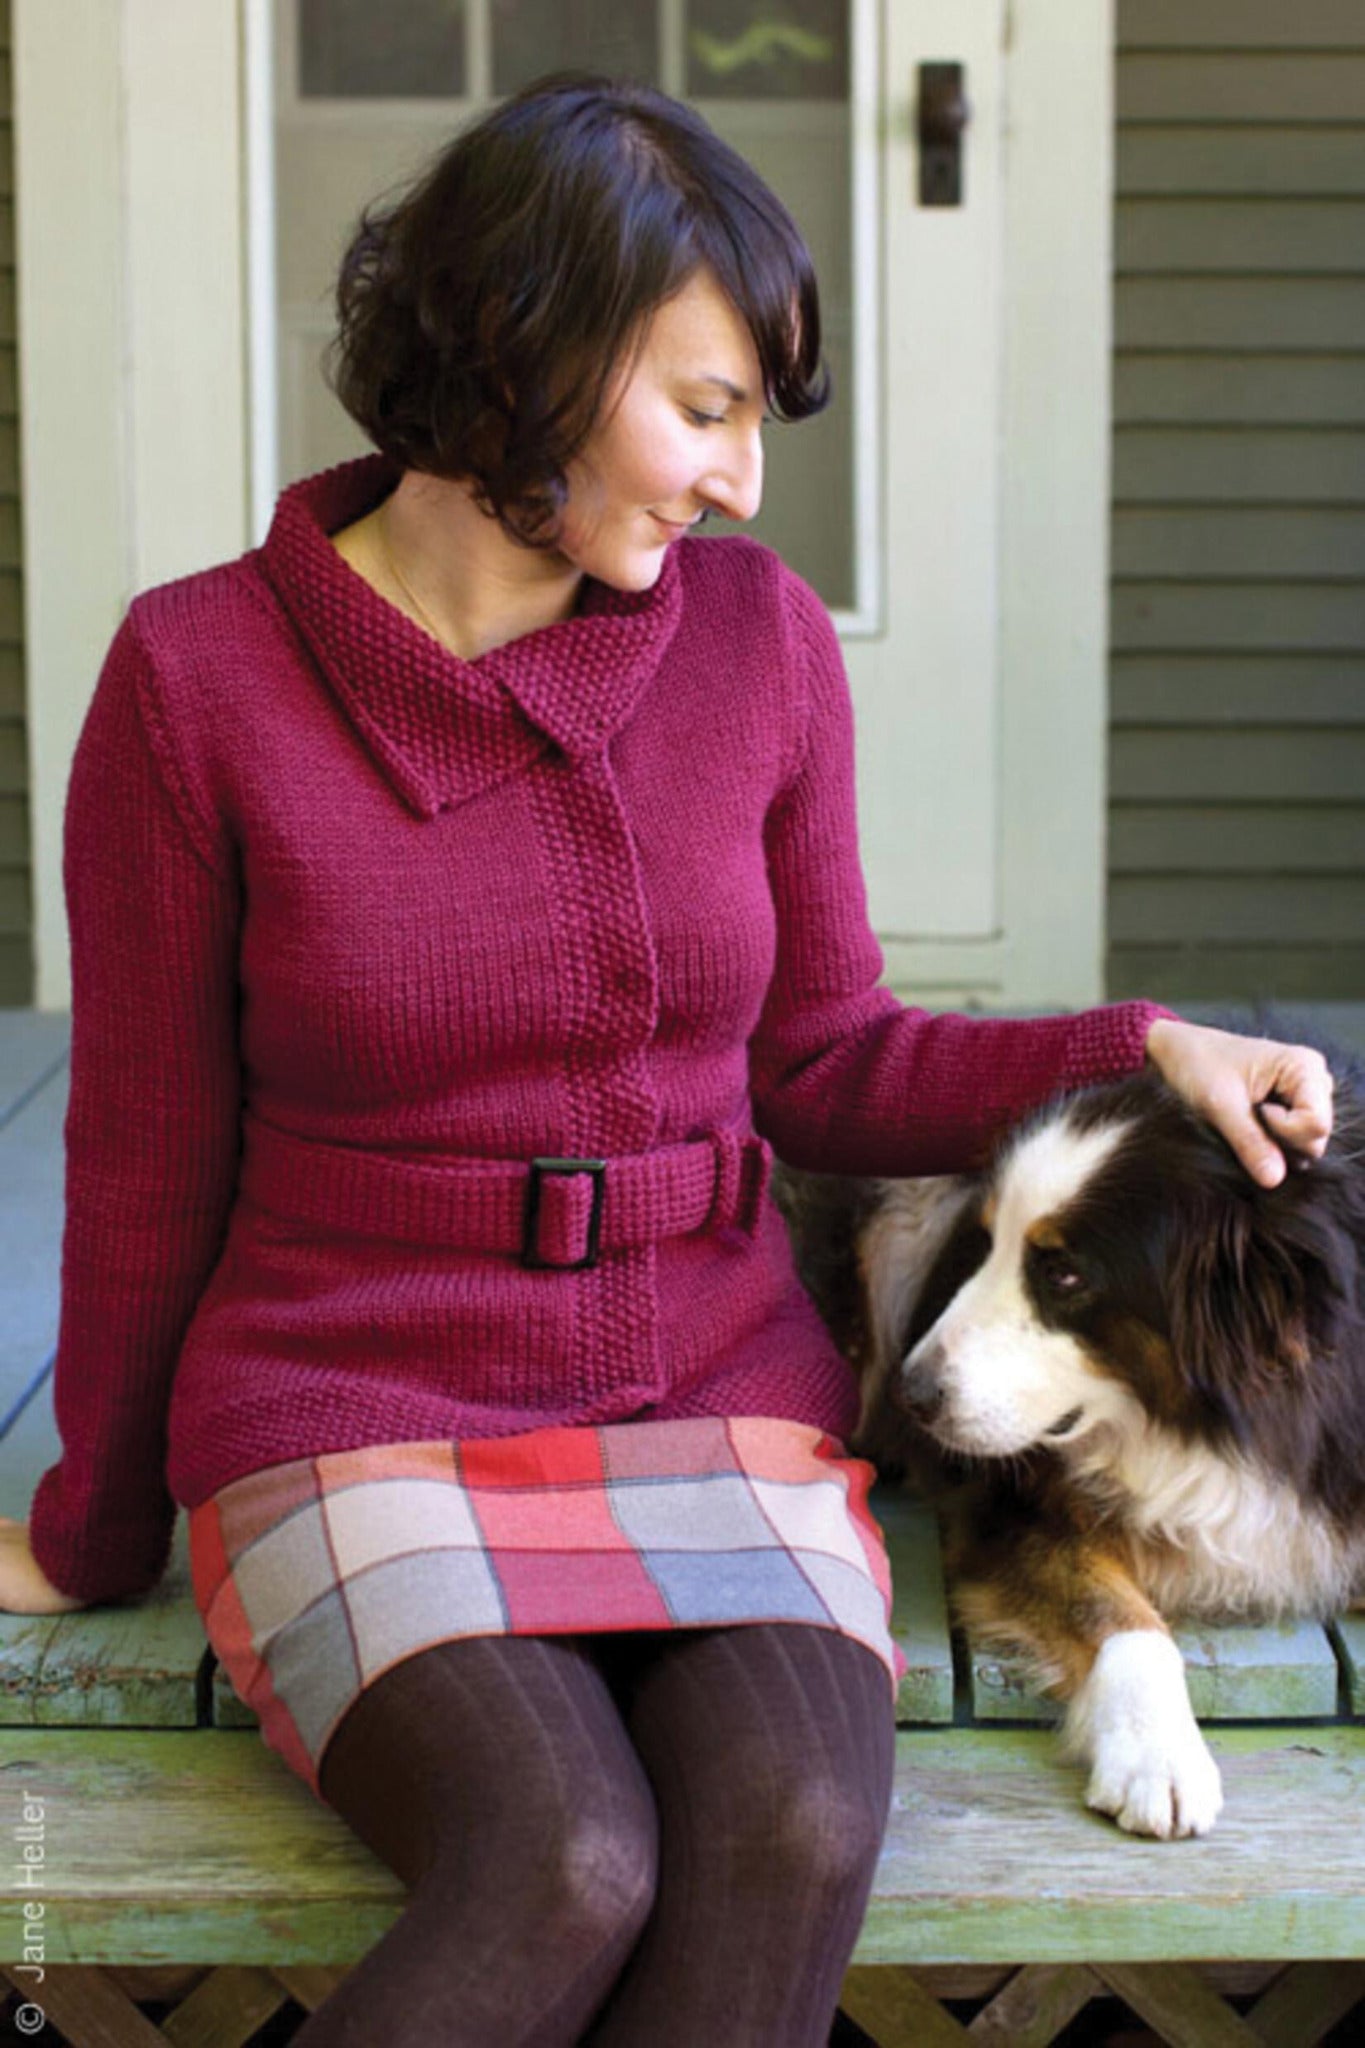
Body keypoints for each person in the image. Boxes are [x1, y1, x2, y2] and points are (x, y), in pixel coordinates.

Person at [0, 72, 1333, 2048]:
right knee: (560, 1849)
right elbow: (136, 1157)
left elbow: (827, 1058)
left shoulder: (756, 643)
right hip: (357, 1398)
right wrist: (90, 1520)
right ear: (521, 357)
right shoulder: (199, 685)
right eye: (701, 411)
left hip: (711, 1389)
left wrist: (1144, 1050)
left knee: (792, 1815)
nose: (738, 483)